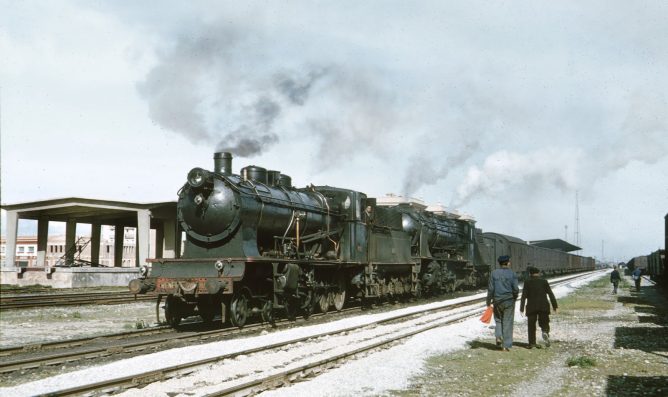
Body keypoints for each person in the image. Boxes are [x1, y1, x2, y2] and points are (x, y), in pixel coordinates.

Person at [486, 255, 519, 351]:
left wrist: (488, 301)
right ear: (508, 263)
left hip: (497, 301)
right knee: (507, 322)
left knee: (498, 320)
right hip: (509, 300)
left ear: (499, 263)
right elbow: (516, 289)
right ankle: (506, 345)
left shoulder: (494, 273)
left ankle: (498, 336)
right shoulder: (512, 273)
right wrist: (515, 297)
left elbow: (491, 289)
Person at [520, 266, 558, 348]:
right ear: (538, 273)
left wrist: (521, 309)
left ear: (530, 274)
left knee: (531, 325)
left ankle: (532, 343)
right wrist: (555, 306)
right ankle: (545, 331)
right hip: (543, 306)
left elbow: (523, 296)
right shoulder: (544, 281)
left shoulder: (527, 282)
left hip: (531, 307)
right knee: (545, 322)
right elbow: (550, 294)